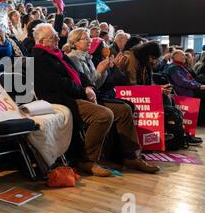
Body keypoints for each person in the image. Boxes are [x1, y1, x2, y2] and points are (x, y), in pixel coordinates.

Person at [67, 30, 159, 173]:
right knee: (113, 111)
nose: (89, 40)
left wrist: (105, 71)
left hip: (96, 95)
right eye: (85, 39)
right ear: (75, 42)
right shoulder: (73, 59)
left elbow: (98, 84)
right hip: (85, 99)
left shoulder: (87, 58)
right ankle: (93, 159)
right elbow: (85, 85)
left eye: (89, 38)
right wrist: (100, 71)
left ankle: (131, 156)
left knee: (125, 109)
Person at [33, 24, 114, 177]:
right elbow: (58, 83)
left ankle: (130, 155)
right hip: (60, 99)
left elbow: (79, 75)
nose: (58, 38)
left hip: (76, 94)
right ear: (41, 41)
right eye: (53, 37)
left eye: (56, 35)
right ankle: (86, 160)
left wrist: (89, 86)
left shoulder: (59, 54)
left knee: (123, 110)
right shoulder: (38, 58)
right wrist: (84, 91)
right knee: (104, 115)